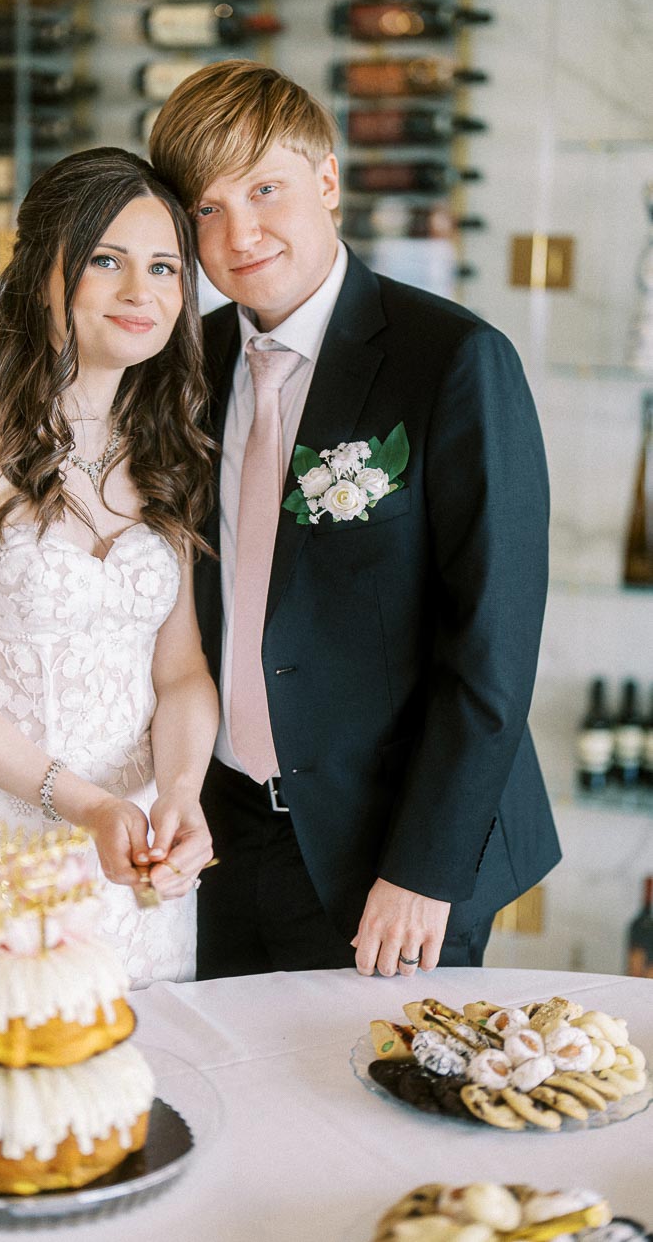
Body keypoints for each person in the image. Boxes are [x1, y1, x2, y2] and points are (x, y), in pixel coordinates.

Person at [149, 60, 561, 980]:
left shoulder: (452, 360)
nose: (240, 234)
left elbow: (492, 649)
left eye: (265, 189)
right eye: (207, 208)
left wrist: (423, 870)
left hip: (389, 856)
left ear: (327, 179)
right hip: (221, 837)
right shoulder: (183, 368)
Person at [0, 148, 218, 991]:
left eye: (164, 268)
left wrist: (180, 793)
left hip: (135, 866)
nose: (141, 291)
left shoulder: (169, 453)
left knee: (137, 1071)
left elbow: (180, 673)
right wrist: (86, 804)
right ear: (42, 276)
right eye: (106, 260)